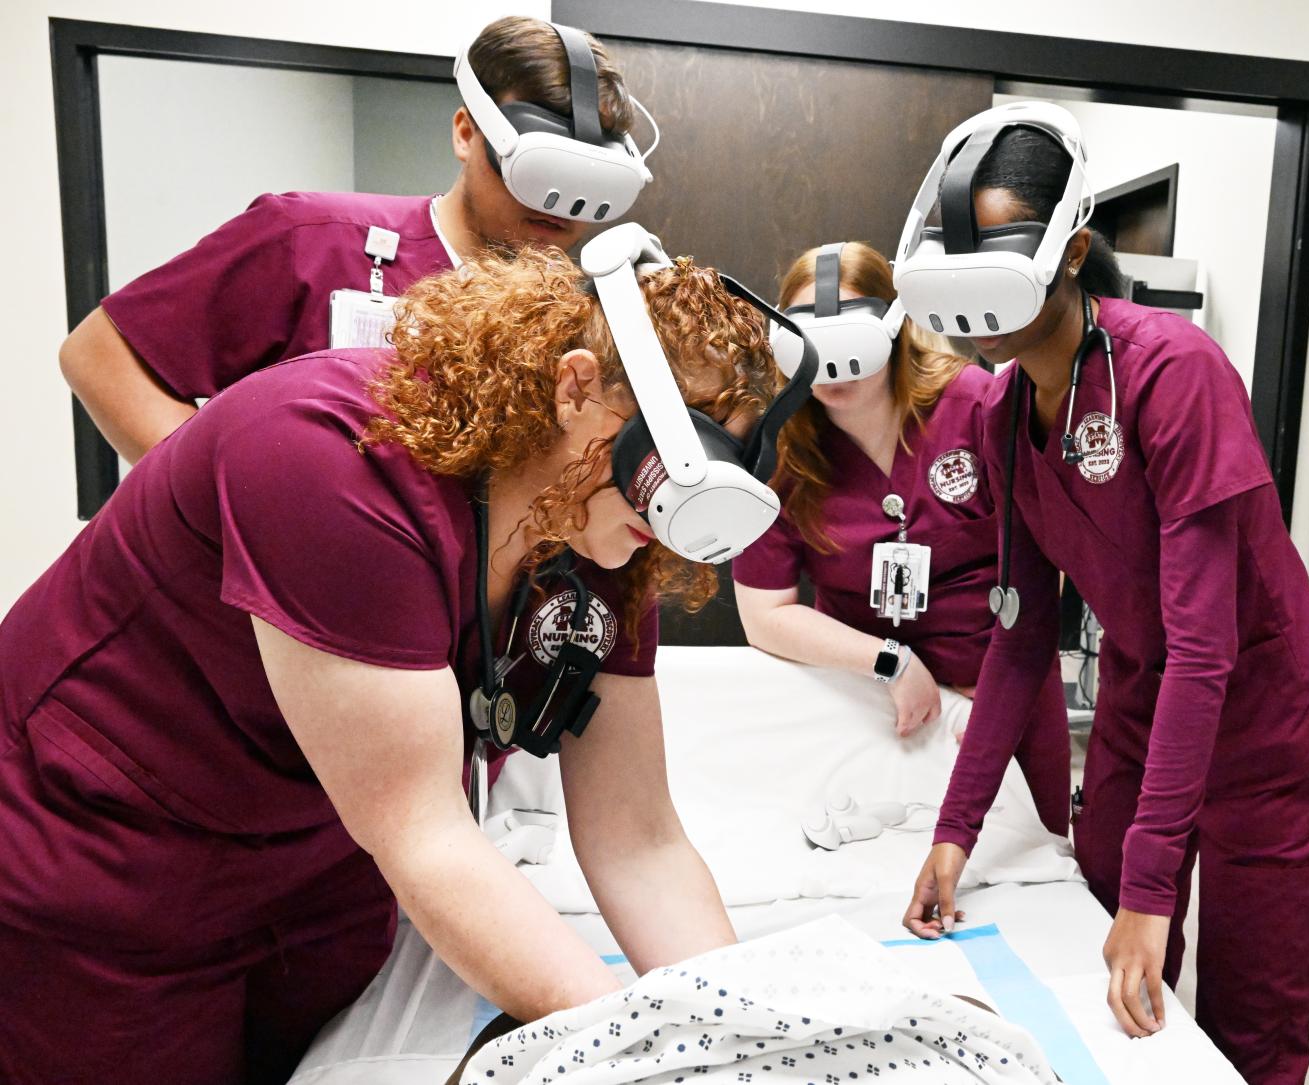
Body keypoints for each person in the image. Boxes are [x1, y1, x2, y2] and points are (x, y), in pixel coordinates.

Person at [0, 248, 774, 1084]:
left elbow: (638, 839)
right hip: (112, 859)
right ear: (575, 385)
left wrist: (737, 1041)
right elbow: (427, 835)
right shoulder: (329, 459)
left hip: (319, 870)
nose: (668, 517)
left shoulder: (600, 525)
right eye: (662, 466)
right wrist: (625, 1050)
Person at [899, 108, 1309, 1085]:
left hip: (1264, 710)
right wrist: (954, 829)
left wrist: (1154, 891)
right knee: (1095, 939)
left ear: (1067, 248)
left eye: (1001, 249)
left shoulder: (1173, 373)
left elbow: (1208, 647)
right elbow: (1019, 637)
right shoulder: (1006, 407)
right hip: (1147, 689)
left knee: (1248, 1014)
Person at [59, 14, 635, 464]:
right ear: (467, 134)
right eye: (539, 170)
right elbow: (100, 357)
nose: (555, 205)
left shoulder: (580, 318)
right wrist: (228, 504)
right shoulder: (310, 238)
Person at [733, 241, 1071, 836]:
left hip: (1001, 687)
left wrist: (999, 693)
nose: (832, 370)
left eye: (850, 343)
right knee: (873, 848)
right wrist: (888, 662)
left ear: (893, 328)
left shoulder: (976, 406)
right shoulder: (782, 452)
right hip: (867, 698)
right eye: (812, 345)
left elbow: (1049, 559)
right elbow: (764, 616)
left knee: (1027, 855)